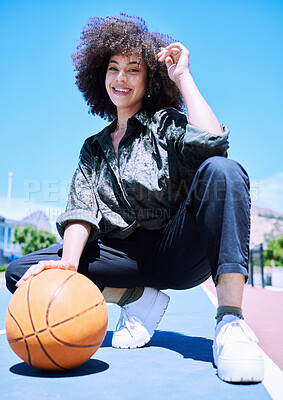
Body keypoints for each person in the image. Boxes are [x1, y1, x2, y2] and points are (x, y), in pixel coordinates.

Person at [6, 14, 264, 383]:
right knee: (22, 274)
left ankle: (230, 322)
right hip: (122, 259)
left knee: (223, 172)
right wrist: (67, 265)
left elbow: (214, 146)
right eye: (113, 69)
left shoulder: (165, 122)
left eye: (133, 69)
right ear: (101, 77)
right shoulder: (93, 147)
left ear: (149, 80)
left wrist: (183, 78)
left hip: (176, 251)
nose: (121, 78)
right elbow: (81, 209)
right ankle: (136, 298)